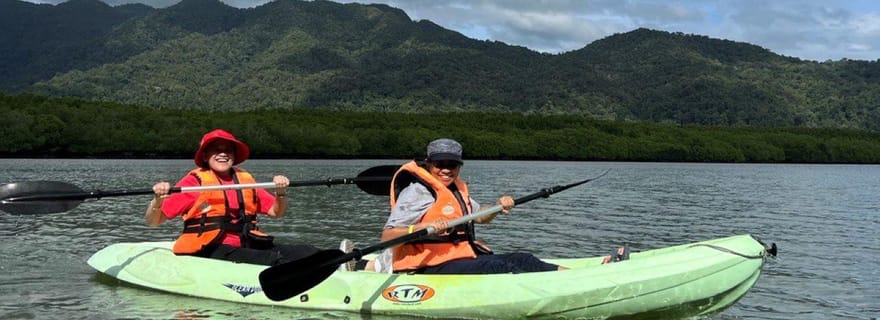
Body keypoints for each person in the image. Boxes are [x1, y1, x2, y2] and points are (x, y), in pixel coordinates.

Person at [145, 129, 333, 266]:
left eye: (228, 150)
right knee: (274, 260)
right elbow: (153, 222)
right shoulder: (194, 182)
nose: (223, 154)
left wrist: (281, 192)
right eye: (216, 149)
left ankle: (354, 265)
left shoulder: (245, 180)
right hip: (210, 249)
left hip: (246, 244)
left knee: (308, 251)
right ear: (205, 156)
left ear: (234, 156)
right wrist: (158, 199)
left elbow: (276, 212)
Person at [379, 138, 567, 274]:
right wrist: (420, 228)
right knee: (499, 267)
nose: (446, 169)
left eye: (452, 164)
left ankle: (575, 276)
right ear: (429, 165)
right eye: (439, 164)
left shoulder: (456, 189)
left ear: (459, 166)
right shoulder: (417, 192)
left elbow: (480, 216)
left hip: (457, 257)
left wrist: (497, 207)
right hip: (426, 265)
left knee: (524, 259)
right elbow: (387, 236)